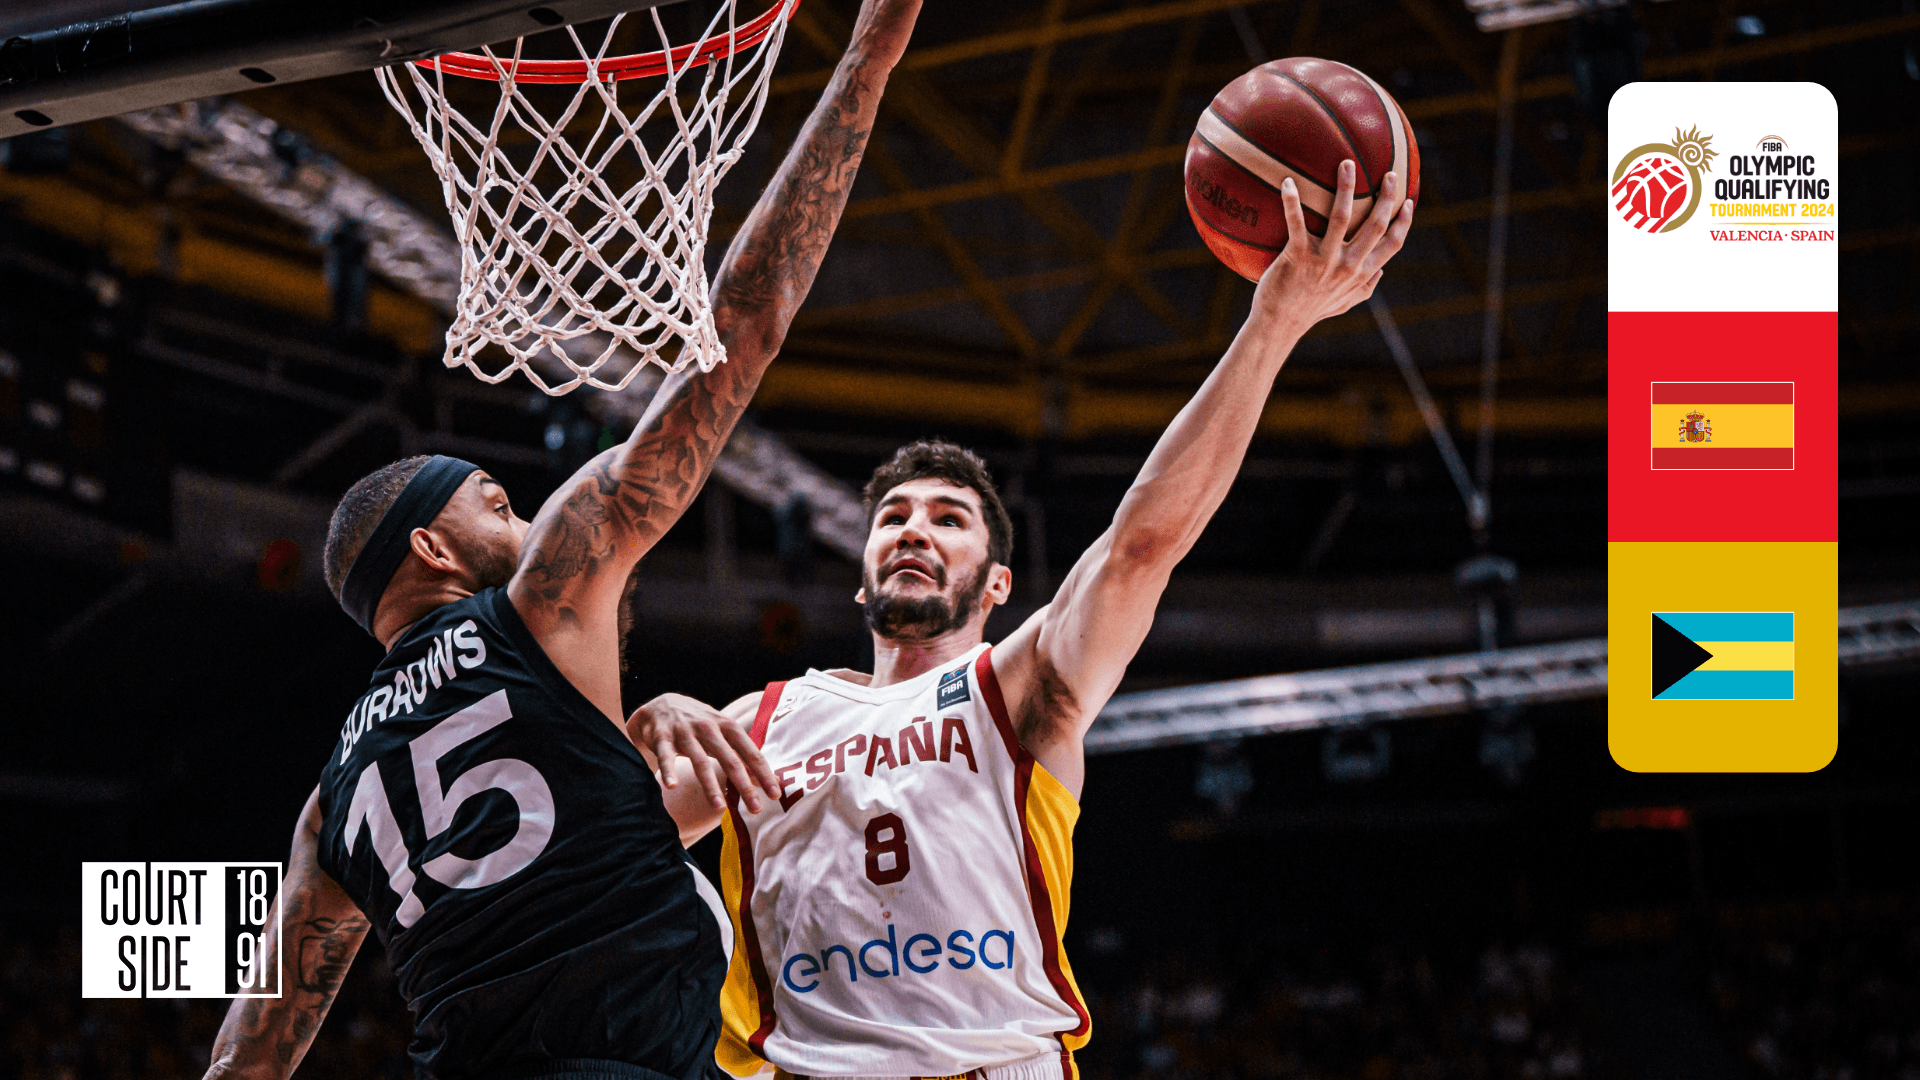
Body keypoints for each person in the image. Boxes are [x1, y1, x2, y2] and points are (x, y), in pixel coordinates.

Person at [199, 1, 923, 1077]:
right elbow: (745, 324)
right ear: (432, 550)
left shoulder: (333, 800)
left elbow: (249, 1059)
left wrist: (642, 731)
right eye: (496, 503)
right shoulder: (540, 600)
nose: (529, 517)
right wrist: (868, 58)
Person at [628, 161, 1416, 1080]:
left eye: (948, 519)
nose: (914, 528)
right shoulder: (760, 725)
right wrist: (650, 718)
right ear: (862, 582)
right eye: (894, 517)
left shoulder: (1018, 686)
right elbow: (601, 851)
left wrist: (1273, 321)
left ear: (998, 583)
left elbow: (1141, 545)